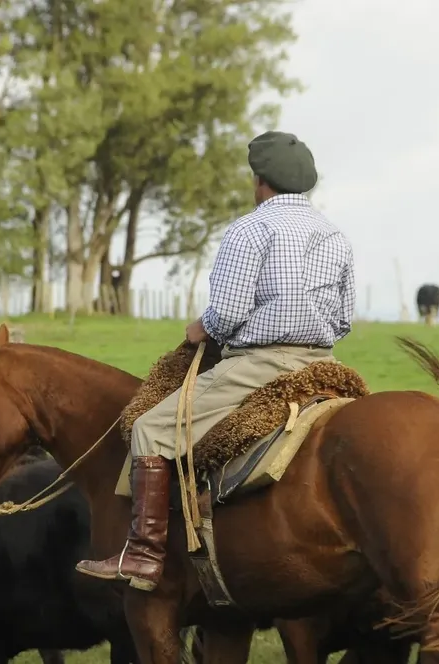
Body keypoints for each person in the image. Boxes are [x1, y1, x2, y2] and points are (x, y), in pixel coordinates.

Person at [74, 130, 356, 592]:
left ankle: (144, 555)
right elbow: (344, 318)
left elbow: (225, 313)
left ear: (258, 179)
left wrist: (199, 329)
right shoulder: (335, 235)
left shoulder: (251, 229)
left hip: (263, 364)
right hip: (323, 363)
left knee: (150, 428)